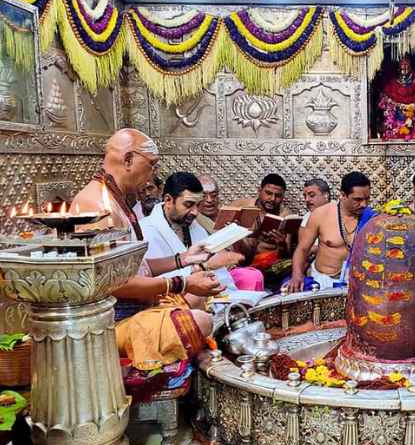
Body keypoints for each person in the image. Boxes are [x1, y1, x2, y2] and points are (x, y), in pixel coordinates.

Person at [71, 128, 223, 371]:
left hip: (141, 305)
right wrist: (182, 284)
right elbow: (113, 283)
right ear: (129, 159)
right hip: (112, 322)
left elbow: (135, 267)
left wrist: (182, 259)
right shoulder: (97, 204)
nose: (154, 174)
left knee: (199, 299)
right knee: (201, 321)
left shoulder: (114, 198)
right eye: (152, 164)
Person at [140, 172, 250, 290]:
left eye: (198, 205)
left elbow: (215, 272)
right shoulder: (146, 230)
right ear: (168, 200)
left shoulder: (193, 225)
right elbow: (152, 280)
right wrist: (203, 267)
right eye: (188, 205)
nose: (195, 212)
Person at [287, 172, 375, 292]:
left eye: (367, 199)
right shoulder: (321, 214)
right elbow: (302, 249)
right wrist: (297, 275)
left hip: (356, 282)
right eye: (358, 200)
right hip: (323, 280)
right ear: (343, 195)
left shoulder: (371, 218)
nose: (364, 204)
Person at [231, 173, 293, 289]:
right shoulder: (241, 206)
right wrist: (235, 232)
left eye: (278, 196)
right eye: (268, 193)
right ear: (259, 191)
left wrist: (281, 243)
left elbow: (287, 254)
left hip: (270, 269)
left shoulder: (285, 215)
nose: (272, 199)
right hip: (241, 261)